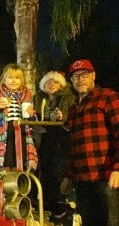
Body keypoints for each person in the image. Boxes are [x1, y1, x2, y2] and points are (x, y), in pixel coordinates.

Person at [61, 59, 119, 226]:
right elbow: (75, 147)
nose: (80, 79)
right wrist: (69, 176)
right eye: (75, 76)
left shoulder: (108, 98)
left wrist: (118, 168)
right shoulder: (74, 108)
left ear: (93, 75)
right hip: (83, 180)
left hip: (107, 178)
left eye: (84, 74)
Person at [0, 63, 37, 170]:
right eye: (10, 78)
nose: (13, 81)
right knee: (5, 164)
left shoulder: (27, 95)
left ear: (22, 80)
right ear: (4, 79)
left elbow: (32, 122)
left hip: (22, 134)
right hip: (2, 134)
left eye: (17, 78)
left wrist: (31, 114)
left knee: (21, 164)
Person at [34, 71, 76, 213]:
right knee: (45, 169)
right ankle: (47, 203)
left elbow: (72, 117)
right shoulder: (38, 99)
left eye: (55, 82)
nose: (51, 85)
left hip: (62, 137)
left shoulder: (69, 98)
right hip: (44, 137)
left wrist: (62, 117)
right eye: (48, 82)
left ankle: (60, 204)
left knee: (59, 169)